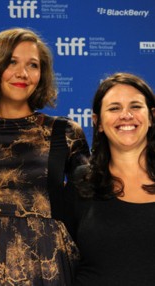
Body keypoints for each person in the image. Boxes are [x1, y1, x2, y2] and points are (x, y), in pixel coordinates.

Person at [0, 28, 90, 285]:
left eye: (32, 65)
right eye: (12, 62)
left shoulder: (65, 132)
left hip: (50, 265)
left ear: (42, 74)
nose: (22, 74)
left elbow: (91, 208)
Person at [74, 72, 155, 285]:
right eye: (114, 108)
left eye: (135, 106)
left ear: (152, 117)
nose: (126, 115)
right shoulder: (81, 181)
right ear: (98, 122)